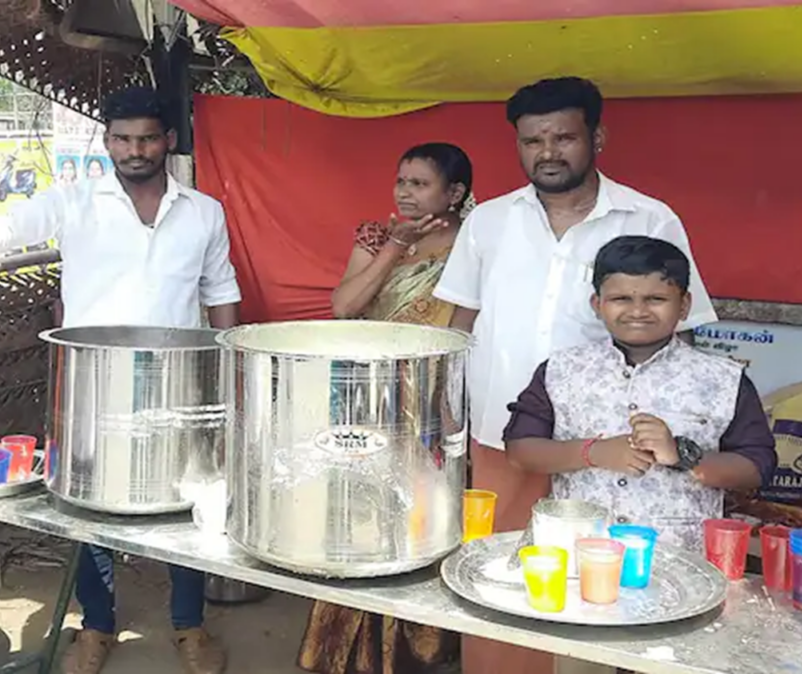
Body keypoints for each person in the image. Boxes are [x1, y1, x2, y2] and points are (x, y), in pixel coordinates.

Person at [0, 85, 240, 674]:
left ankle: (188, 625)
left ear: (168, 140)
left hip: (180, 378)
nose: (134, 149)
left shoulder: (203, 211)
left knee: (189, 499)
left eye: (147, 137)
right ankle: (95, 626)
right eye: (122, 138)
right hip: (92, 377)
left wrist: (227, 365)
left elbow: (220, 290)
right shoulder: (76, 201)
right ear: (107, 140)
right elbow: (11, 226)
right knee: (86, 501)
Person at [432, 76, 718, 673]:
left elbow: (680, 331)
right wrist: (443, 407)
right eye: (532, 140)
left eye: (564, 136)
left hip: (609, 454)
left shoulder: (649, 217)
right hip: (500, 436)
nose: (548, 152)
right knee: (500, 572)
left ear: (597, 138)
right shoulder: (488, 221)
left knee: (592, 583)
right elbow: (460, 319)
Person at [298, 142, 474, 674]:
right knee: (358, 515)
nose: (405, 192)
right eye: (401, 181)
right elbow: (344, 307)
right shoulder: (376, 236)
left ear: (456, 193)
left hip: (433, 401)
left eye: (419, 183)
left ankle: (418, 651)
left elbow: (462, 332)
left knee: (424, 516)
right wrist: (394, 248)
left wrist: (445, 403)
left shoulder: (474, 246)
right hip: (364, 396)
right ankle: (345, 649)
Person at [504, 235, 776, 550]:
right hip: (577, 551)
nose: (638, 311)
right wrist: (593, 453)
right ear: (598, 305)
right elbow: (520, 450)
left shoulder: (723, 380)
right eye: (621, 299)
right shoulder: (561, 369)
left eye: (656, 299)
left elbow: (757, 467)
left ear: (684, 305)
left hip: (677, 558)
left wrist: (683, 455)